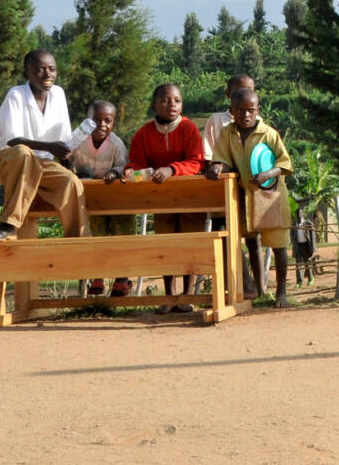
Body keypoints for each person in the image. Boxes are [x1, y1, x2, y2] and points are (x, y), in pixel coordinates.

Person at [0, 51, 88, 243]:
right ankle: (8, 226)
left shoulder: (58, 94)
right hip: (5, 158)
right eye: (40, 70)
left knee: (70, 182)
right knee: (24, 153)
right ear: (27, 75)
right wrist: (50, 147)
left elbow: (64, 138)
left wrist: (67, 162)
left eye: (52, 69)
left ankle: (79, 243)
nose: (47, 74)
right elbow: (14, 141)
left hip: (41, 162)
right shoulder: (16, 95)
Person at [205, 87, 294, 307]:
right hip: (244, 196)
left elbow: (284, 164)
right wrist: (217, 168)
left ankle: (281, 291)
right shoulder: (227, 133)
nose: (246, 115)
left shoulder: (269, 134)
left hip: (270, 194)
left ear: (258, 110)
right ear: (232, 111)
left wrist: (267, 174)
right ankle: (253, 289)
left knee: (278, 243)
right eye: (240, 110)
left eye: (250, 110)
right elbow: (222, 158)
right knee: (249, 240)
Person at [125, 82, 206, 307]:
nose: (171, 104)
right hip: (161, 198)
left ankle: (187, 296)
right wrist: (133, 172)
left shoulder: (189, 128)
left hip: (191, 197)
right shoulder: (144, 133)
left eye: (177, 100)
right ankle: (169, 296)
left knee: (189, 243)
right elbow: (138, 163)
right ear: (154, 104)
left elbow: (196, 161)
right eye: (165, 100)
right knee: (166, 244)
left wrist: (171, 169)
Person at [68, 99, 132, 297]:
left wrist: (115, 171)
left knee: (122, 235)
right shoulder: (77, 141)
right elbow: (67, 160)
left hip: (116, 196)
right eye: (96, 120)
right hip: (91, 197)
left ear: (113, 123)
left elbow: (124, 165)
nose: (102, 125)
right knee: (96, 234)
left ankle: (122, 280)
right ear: (87, 120)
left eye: (108, 120)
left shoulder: (116, 144)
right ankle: (98, 277)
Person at [201, 73, 254, 161]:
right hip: (222, 171)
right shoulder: (216, 120)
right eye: (241, 89)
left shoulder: (257, 121)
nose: (245, 93)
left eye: (250, 90)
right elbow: (207, 152)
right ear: (228, 93)